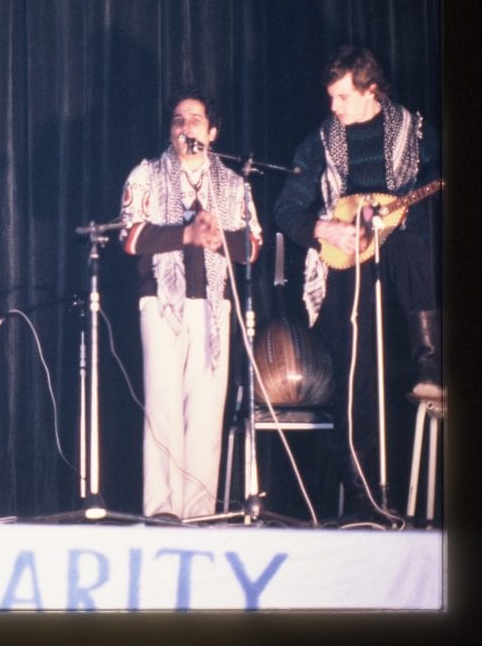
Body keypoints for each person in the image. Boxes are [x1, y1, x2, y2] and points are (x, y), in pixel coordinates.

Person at [274, 45, 440, 518]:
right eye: (331, 98)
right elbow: (287, 209)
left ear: (371, 91)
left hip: (396, 250)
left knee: (411, 248)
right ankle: (366, 495)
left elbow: (439, 169)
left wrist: (400, 204)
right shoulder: (319, 143)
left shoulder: (414, 130)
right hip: (344, 265)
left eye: (343, 97)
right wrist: (328, 228)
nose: (334, 107)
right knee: (356, 373)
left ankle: (429, 361)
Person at [119, 87, 261, 521]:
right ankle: (162, 510)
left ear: (212, 132)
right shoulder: (145, 174)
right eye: (178, 120)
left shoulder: (234, 185)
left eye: (195, 120)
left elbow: (253, 247)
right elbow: (131, 238)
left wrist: (218, 238)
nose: (185, 127)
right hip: (161, 303)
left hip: (215, 308)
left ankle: (199, 512)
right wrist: (186, 235)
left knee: (204, 412)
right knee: (162, 407)